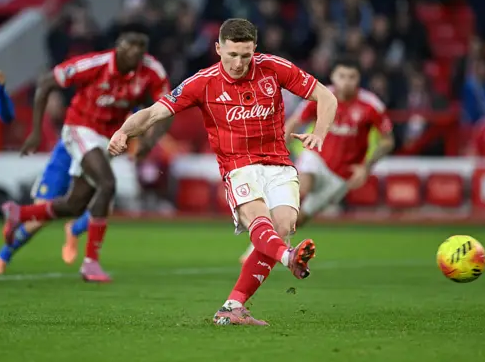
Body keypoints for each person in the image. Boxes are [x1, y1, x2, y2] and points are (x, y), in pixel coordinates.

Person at [107, 18, 338, 326]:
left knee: (282, 227)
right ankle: (288, 258)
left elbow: (327, 96)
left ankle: (232, 308)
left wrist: (320, 132)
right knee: (260, 221)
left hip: (279, 164)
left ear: (255, 49)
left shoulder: (274, 68)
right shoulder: (201, 82)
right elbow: (153, 113)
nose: (239, 63)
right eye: (232, 55)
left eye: (246, 55)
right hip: (238, 167)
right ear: (218, 49)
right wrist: (123, 132)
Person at [0, 27, 171, 282]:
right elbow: (47, 82)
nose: (135, 55)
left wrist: (150, 140)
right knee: (108, 184)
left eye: (140, 51)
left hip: (108, 138)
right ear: (118, 49)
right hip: (80, 128)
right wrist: (36, 132)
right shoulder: (94, 64)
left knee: (75, 204)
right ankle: (91, 263)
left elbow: (167, 108)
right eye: (129, 49)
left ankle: (20, 214)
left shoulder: (152, 71)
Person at [239, 59, 395, 262]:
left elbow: (388, 140)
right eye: (342, 76)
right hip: (317, 157)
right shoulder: (321, 96)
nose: (346, 82)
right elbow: (294, 122)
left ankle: (268, 243)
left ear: (358, 79)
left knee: (300, 218)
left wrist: (366, 167)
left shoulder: (371, 105)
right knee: (301, 188)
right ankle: (257, 243)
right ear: (333, 77)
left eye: (351, 77)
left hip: (342, 176)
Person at [0, 125, 166, 275]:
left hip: (95, 159)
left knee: (104, 209)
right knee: (40, 219)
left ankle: (74, 230)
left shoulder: (131, 98)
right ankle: (2, 256)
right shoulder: (100, 91)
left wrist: (146, 142)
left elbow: (147, 122)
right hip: (66, 155)